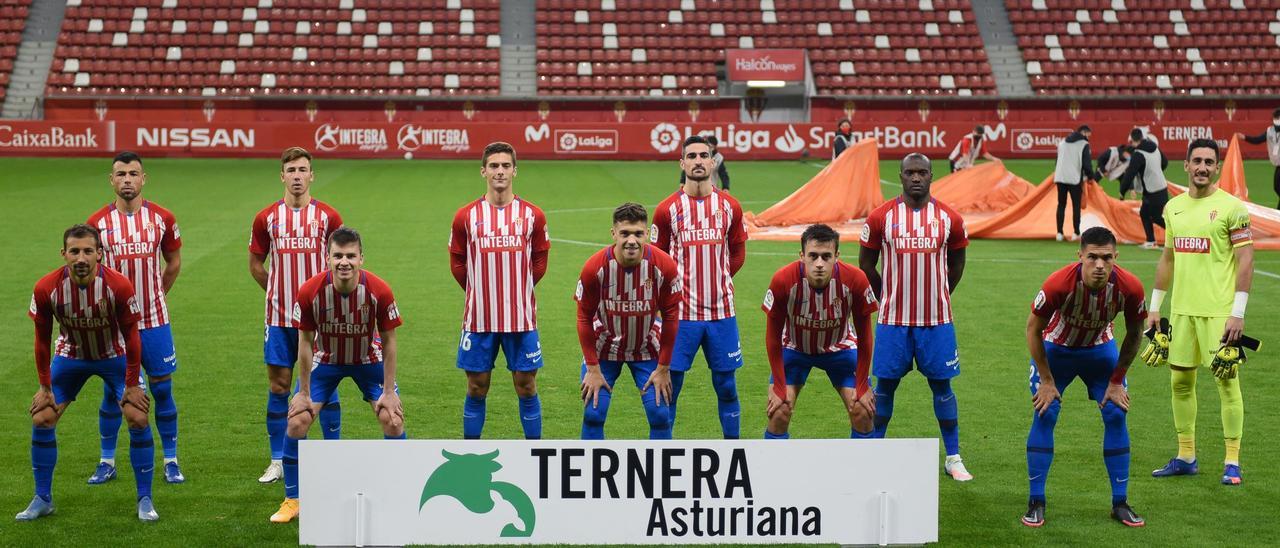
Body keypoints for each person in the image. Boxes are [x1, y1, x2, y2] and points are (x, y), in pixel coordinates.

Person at [19, 224, 158, 522]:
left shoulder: (118, 286)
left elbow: (133, 336)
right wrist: (45, 387)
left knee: (138, 416)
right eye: (74, 251)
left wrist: (132, 384)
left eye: (87, 251)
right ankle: (42, 498)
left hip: (115, 356)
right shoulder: (46, 288)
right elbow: (41, 340)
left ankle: (144, 499)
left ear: (100, 254)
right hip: (71, 357)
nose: (81, 258)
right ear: (64, 254)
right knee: (42, 417)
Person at [269, 227, 404, 523]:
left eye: (351, 256)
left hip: (367, 361)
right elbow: (304, 343)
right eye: (338, 256)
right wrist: (303, 392)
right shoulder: (310, 291)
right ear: (326, 258)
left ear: (361, 259)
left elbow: (390, 341)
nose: (344, 262)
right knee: (296, 421)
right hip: (326, 361)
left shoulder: (379, 291)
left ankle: (399, 492)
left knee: (392, 421)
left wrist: (390, 392)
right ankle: (293, 499)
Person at [1145, 138, 1254, 486]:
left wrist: (1237, 313)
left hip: (1220, 314)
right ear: (1186, 166)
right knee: (1180, 381)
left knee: (1226, 382)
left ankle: (1232, 462)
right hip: (1182, 312)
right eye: (1197, 161)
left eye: (1209, 161)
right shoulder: (1173, 208)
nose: (1203, 167)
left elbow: (1246, 259)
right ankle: (1185, 455)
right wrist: (1155, 307)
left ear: (1217, 167)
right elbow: (1167, 258)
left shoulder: (1233, 208)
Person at [1021, 227, 1146, 528]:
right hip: (1056, 350)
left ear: (1116, 257)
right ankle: (1036, 501)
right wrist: (1047, 380)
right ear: (1080, 257)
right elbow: (1032, 330)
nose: (1099, 265)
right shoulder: (1058, 283)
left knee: (1117, 413)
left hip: (1099, 352)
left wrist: (1117, 380)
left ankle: (1120, 502)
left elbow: (1135, 333)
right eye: (1092, 257)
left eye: (1106, 258)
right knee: (1045, 411)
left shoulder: (1130, 287)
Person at [860, 153, 973, 481]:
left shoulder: (949, 218)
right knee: (885, 388)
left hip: (936, 322)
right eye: (910, 172)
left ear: (931, 175)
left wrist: (939, 294)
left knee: (942, 387)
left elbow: (958, 264)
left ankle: (953, 456)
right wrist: (887, 297)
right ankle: (873, 451)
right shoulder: (881, 217)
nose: (916, 178)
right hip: (893, 322)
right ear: (900, 175)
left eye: (922, 172)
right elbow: (867, 264)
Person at [84, 152, 185, 485]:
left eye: (133, 173)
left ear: (144, 179)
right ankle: (106, 460)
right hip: (113, 327)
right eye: (121, 174)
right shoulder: (96, 223)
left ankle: (171, 460)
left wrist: (156, 294)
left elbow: (173, 262)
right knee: (113, 392)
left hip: (154, 321)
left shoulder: (162, 218)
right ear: (111, 180)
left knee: (162, 389)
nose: (127, 179)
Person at [249, 147, 344, 484]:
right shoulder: (266, 218)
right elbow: (257, 265)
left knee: (326, 386)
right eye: (291, 170)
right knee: (279, 386)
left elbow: (340, 264)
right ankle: (278, 459)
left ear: (312, 175)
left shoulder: (328, 217)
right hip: (277, 320)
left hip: (320, 321)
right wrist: (278, 292)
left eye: (303, 170)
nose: (297, 176)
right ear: (283, 176)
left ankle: (333, 455)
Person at [449, 141, 549, 440]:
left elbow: (540, 259)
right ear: (483, 171)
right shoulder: (466, 216)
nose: (500, 171)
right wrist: (478, 289)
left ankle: (535, 453)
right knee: (477, 386)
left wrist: (518, 288)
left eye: (506, 165)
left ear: (515, 171)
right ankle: (471, 450)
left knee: (526, 385)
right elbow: (457, 260)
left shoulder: (533, 215)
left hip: (521, 318)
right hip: (479, 318)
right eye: (494, 166)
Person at [651, 135, 748, 439]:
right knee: (670, 386)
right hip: (680, 316)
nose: (697, 161)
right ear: (682, 163)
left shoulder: (730, 206)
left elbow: (738, 252)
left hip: (722, 313)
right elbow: (658, 260)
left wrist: (718, 278)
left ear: (712, 161)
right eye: (690, 156)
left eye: (702, 156)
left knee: (727, 385)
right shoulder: (666, 210)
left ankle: (734, 450)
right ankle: (663, 456)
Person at [576, 203, 683, 439]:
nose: (631, 240)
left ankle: (660, 473)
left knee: (659, 414)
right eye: (625, 233)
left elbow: (672, 317)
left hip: (646, 347)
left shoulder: (663, 266)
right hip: (604, 347)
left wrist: (664, 367)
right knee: (594, 412)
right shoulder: (595, 268)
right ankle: (591, 474)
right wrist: (592, 369)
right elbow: (583, 317)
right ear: (614, 234)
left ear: (647, 233)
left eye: (638, 233)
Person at [762, 223, 878, 439]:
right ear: (801, 256)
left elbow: (866, 337)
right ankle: (773, 471)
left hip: (840, 348)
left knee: (863, 410)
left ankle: (863, 471)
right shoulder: (783, 281)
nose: (819, 264)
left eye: (826, 256)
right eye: (813, 256)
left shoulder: (855, 280)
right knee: (779, 411)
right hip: (795, 348)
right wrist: (778, 385)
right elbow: (772, 337)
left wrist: (862, 384)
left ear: (837, 256)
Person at [1119, 129, 1169, 249]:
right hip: (1162, 187)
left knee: (1151, 216)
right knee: (1148, 214)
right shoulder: (1155, 147)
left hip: (1151, 190)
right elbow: (1165, 162)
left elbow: (1130, 173)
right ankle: (1151, 241)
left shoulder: (1138, 154)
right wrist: (1156, 171)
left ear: (1132, 140)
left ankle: (1174, 233)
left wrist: (1122, 191)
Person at [1052, 125, 1099, 241]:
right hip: (1074, 179)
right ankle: (1076, 233)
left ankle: (1059, 233)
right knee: (1076, 206)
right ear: (1083, 132)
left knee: (1061, 204)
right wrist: (1091, 177)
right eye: (1088, 134)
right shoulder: (1083, 144)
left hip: (1060, 177)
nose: (1089, 137)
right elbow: (1087, 164)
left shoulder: (1062, 142)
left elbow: (1057, 161)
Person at [1234, 107, 1280, 208]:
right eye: (1275, 118)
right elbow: (1257, 140)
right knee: (1277, 188)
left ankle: (1278, 212)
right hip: (1278, 165)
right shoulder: (1270, 131)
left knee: (1278, 187)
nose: (1277, 120)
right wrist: (1244, 137)